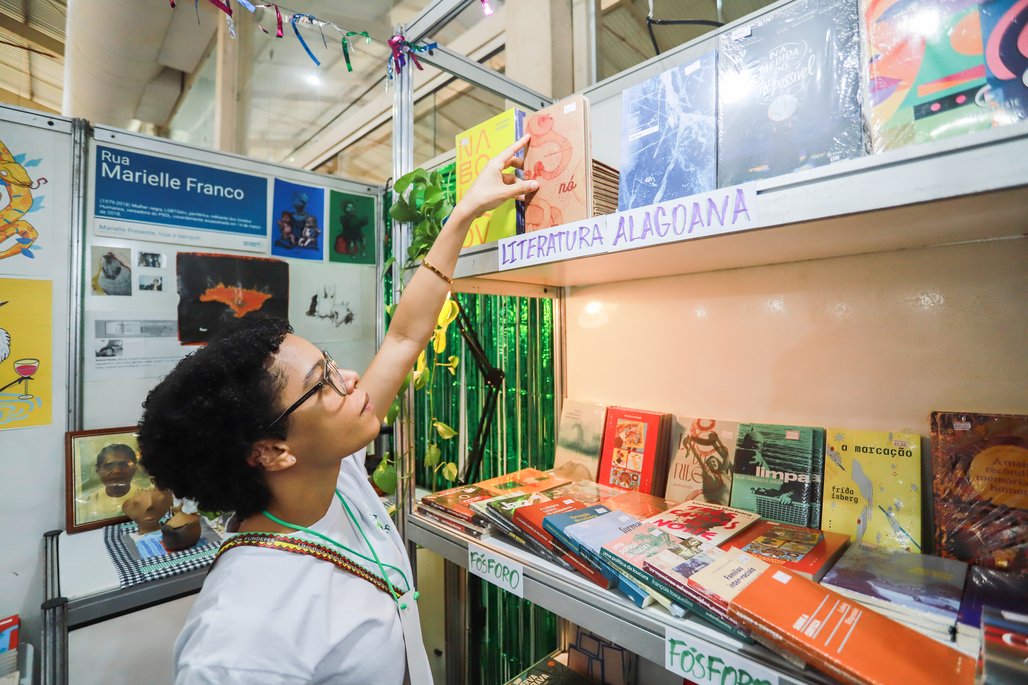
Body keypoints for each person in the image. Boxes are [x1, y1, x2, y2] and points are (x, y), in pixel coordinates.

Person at [137, 135, 537, 685]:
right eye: (323, 383)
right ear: (273, 451)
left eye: (331, 363)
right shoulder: (238, 638)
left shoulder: (331, 473)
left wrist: (465, 211)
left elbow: (403, 337)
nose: (350, 377)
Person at [78, 443, 146, 523]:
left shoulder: (147, 497)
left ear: (135, 469)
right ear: (98, 471)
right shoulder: (89, 502)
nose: (116, 471)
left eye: (124, 465)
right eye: (109, 466)